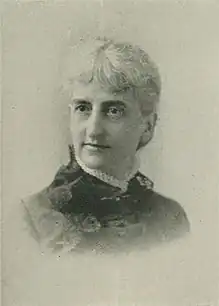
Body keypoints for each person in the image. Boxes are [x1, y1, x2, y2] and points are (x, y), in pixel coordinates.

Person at [22, 37, 190, 254]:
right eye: (83, 108)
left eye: (113, 111)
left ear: (147, 126)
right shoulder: (32, 218)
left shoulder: (171, 218)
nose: (93, 130)